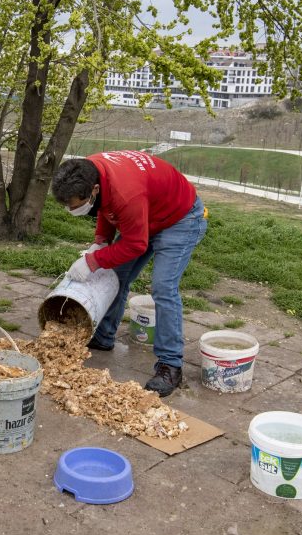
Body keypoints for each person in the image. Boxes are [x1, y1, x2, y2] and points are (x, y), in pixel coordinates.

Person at [51, 150, 206, 397]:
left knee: (163, 288)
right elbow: (106, 208)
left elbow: (136, 244)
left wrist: (94, 260)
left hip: (180, 218)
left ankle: (170, 366)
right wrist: (101, 241)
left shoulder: (126, 193)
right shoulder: (92, 170)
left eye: (74, 205)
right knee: (115, 277)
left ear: (93, 190)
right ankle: (103, 336)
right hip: (145, 211)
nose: (71, 209)